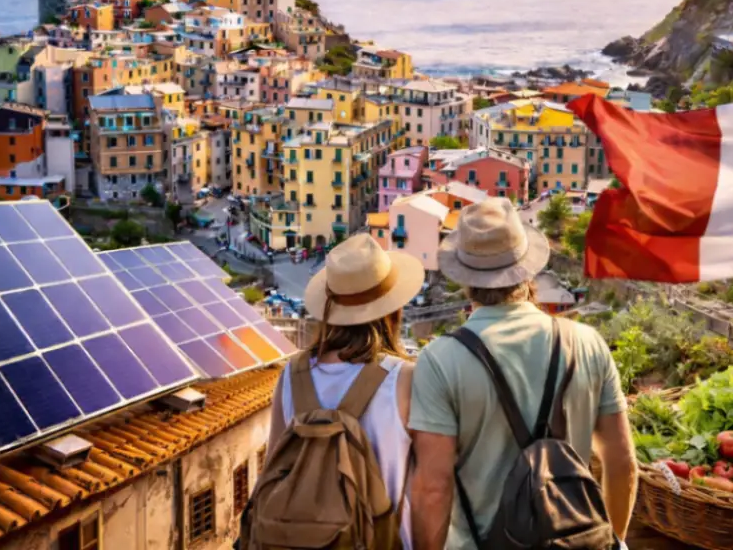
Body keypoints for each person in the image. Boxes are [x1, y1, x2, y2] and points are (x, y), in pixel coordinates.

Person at [408, 197, 636, 550]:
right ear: (527, 271)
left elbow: (433, 488)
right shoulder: (587, 343)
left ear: (465, 280)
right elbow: (621, 462)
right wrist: (612, 540)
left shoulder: (441, 360)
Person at [264, 233, 424, 549]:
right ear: (392, 309)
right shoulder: (406, 379)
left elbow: (272, 470)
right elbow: (426, 488)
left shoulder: (291, 375)